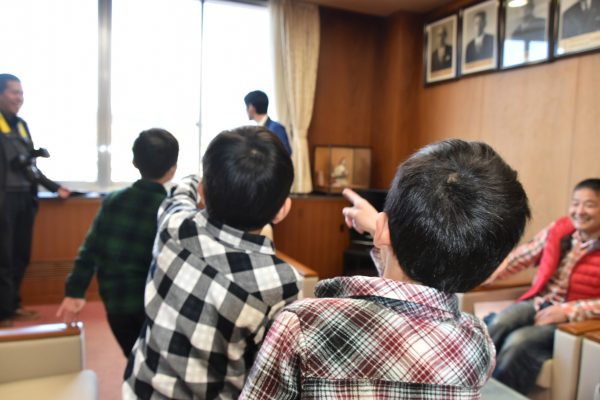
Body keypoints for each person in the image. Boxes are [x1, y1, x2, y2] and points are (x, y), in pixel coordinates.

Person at [240, 139, 531, 399]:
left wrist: (384, 231)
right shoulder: (478, 345)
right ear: (490, 267)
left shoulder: (302, 325)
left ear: (381, 230)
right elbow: (413, 301)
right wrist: (384, 230)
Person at [123, 126, 303, 399]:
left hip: (139, 389)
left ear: (202, 192)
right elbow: (272, 374)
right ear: (282, 210)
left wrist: (212, 176)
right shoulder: (282, 281)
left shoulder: (174, 224)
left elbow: (181, 192)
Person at [56, 128, 179, 356]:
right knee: (152, 361)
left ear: (134, 161)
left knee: (131, 356)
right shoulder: (170, 209)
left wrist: (75, 291)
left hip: (116, 303)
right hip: (153, 304)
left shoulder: (113, 200)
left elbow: (90, 249)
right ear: (173, 169)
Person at [484, 178, 600, 395]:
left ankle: (499, 396)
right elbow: (523, 256)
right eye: (575, 203)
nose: (579, 211)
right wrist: (487, 274)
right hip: (539, 302)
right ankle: (469, 382)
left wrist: (567, 311)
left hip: (573, 321)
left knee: (519, 341)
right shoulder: (560, 229)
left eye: (589, 205)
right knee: (500, 322)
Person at [0, 73, 70, 327]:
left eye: (21, 93)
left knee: (21, 255)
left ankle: (13, 305)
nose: (19, 98)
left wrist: (54, 187)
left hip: (24, 198)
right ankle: (3, 312)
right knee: (3, 258)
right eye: (14, 92)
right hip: (3, 200)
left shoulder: (21, 125)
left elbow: (30, 166)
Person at [244, 90, 292, 155]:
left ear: (251, 107)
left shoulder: (276, 128)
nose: (246, 110)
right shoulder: (256, 130)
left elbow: (286, 152)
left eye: (246, 106)